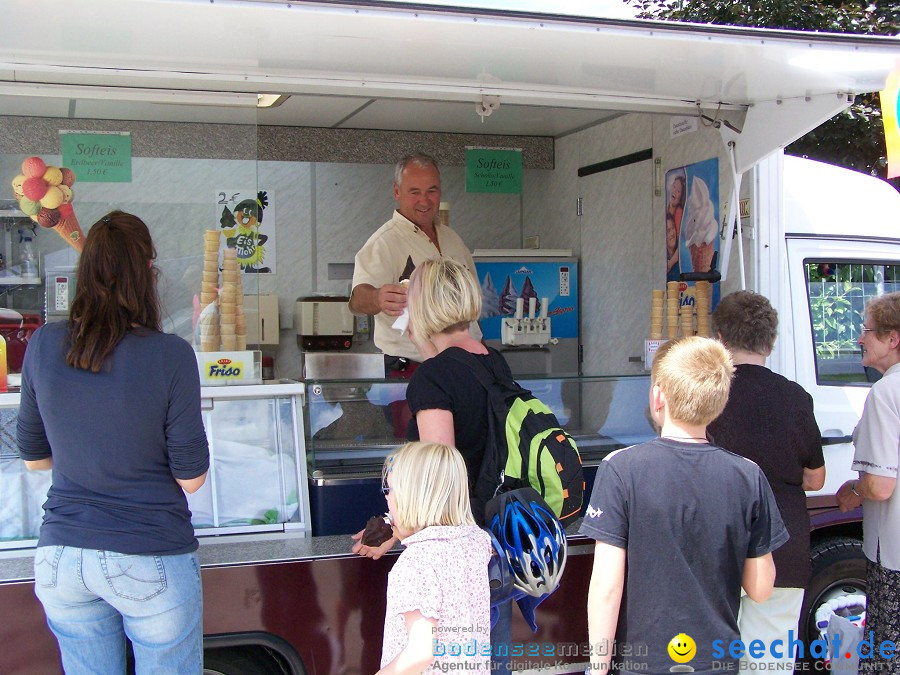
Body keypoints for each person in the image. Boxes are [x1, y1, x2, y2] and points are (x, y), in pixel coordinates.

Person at [16, 211, 210, 674]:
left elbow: (35, 460)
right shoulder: (170, 354)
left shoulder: (44, 343)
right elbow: (192, 479)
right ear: (147, 272)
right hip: (150, 555)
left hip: (61, 556)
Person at [581, 337, 787, 674]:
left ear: (658, 397)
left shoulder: (621, 469)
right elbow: (761, 589)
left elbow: (607, 585)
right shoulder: (748, 476)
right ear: (719, 402)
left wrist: (597, 668)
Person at [352, 257, 515, 666]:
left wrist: (392, 529)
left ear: (422, 306)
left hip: (458, 554)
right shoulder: (494, 362)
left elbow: (437, 479)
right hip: (496, 542)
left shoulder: (434, 378)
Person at [707, 291, 825, 669]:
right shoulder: (795, 397)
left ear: (720, 339)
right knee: (767, 664)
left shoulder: (708, 396)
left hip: (717, 542)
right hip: (782, 545)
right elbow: (816, 477)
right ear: (770, 344)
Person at [349, 153, 482, 378]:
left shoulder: (452, 239)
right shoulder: (384, 242)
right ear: (396, 192)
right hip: (411, 369)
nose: (424, 201)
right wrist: (377, 298)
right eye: (414, 192)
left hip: (466, 363)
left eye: (431, 190)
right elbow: (356, 301)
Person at [376, 441, 492, 674]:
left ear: (413, 498)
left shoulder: (415, 564)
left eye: (390, 490)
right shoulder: (477, 541)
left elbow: (422, 650)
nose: (387, 499)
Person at [836, 292, 899, 675]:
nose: (860, 338)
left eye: (868, 331)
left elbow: (879, 486)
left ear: (894, 339)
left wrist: (853, 491)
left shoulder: (886, 393)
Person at [665, 212, 680, 282]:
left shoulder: (682, 259)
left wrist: (671, 263)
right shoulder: (662, 260)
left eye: (673, 228)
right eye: (668, 231)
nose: (672, 233)